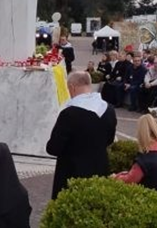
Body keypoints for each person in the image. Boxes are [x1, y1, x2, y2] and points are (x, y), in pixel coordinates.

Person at [46, 71, 117, 199]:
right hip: (100, 168)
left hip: (72, 172)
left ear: (72, 87)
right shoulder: (108, 109)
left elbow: (53, 148)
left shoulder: (69, 114)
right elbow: (109, 139)